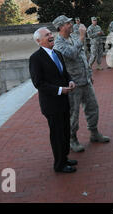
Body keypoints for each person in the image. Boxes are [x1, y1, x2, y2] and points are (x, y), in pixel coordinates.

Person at [52, 15, 110, 153]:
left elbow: (83, 57)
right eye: (68, 23)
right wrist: (82, 36)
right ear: (61, 27)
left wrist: (89, 75)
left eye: (71, 22)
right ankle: (73, 139)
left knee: (93, 108)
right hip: (73, 85)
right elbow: (72, 54)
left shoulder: (72, 38)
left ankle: (94, 133)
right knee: (74, 114)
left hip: (85, 81)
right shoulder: (58, 44)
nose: (71, 24)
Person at [29, 27, 78, 173]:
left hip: (64, 101)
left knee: (65, 131)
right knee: (57, 134)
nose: (51, 36)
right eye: (47, 35)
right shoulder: (36, 58)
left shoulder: (57, 53)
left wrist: (70, 81)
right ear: (39, 41)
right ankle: (59, 165)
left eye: (51, 33)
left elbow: (64, 73)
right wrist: (59, 90)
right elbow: (38, 83)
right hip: (51, 104)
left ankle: (64, 157)